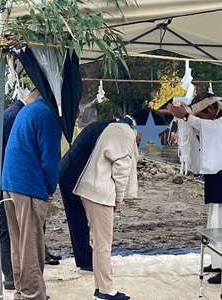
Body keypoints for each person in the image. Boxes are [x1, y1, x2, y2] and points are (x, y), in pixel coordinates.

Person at [73, 110, 164, 300]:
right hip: (100, 192)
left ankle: (101, 288)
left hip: (94, 189)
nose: (146, 141)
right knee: (103, 244)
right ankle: (106, 290)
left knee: (99, 243)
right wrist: (119, 198)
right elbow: (121, 169)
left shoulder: (118, 127)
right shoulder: (124, 132)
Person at [167, 92, 222, 284]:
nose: (199, 120)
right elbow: (206, 130)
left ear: (211, 108)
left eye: (201, 115)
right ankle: (219, 262)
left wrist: (186, 116)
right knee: (217, 223)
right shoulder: (217, 120)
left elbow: (211, 129)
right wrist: (187, 118)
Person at [0, 88, 41, 290]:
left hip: (2, 176)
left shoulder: (11, 112)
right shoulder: (17, 115)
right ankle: (10, 277)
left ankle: (13, 275)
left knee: (9, 226)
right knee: (8, 228)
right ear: (36, 98)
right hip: (4, 179)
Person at [1, 94, 62, 300]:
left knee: (18, 243)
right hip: (28, 185)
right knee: (31, 244)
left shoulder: (29, 109)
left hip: (10, 183)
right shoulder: (48, 114)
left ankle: (22, 291)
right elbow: (50, 158)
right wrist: (50, 187)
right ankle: (33, 295)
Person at [58, 118, 117, 273]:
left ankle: (87, 260)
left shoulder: (105, 127)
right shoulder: (109, 132)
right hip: (73, 175)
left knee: (81, 219)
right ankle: (87, 262)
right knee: (79, 219)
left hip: (73, 171)